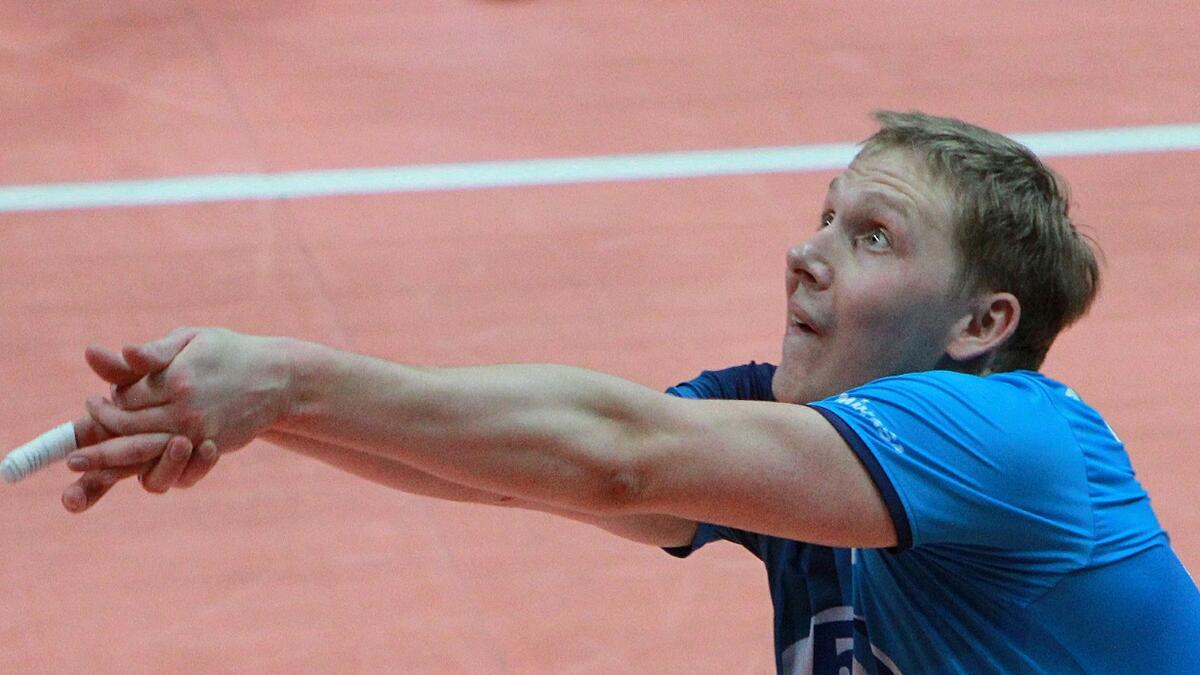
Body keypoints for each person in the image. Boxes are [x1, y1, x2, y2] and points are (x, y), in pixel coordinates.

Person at [59, 112, 1200, 672]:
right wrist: (264, 412)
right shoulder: (796, 440)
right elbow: (540, 474)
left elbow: (618, 456)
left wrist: (286, 377)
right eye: (823, 215)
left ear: (982, 324)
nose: (805, 253)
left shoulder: (1017, 441)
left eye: (872, 236)